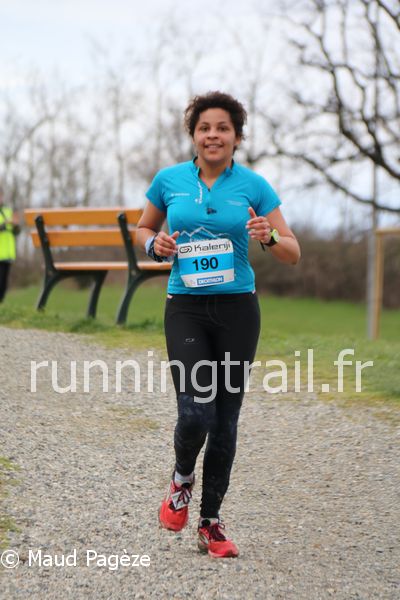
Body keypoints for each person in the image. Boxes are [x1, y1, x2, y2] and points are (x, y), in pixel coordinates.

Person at [137, 91, 300, 558]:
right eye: (205, 127)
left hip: (238, 311)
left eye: (223, 128)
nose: (213, 135)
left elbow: (292, 252)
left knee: (225, 419)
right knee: (195, 411)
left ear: (237, 137)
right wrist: (154, 245)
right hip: (185, 308)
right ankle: (181, 479)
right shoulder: (168, 180)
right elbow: (143, 229)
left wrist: (269, 235)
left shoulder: (254, 186)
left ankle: (210, 521)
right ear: (193, 135)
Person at [0, 185, 19, 303]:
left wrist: (16, 226)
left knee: (4, 282)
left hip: (8, 252)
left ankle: (1, 303)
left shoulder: (9, 211)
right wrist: (4, 224)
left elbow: (16, 232)